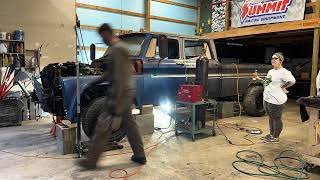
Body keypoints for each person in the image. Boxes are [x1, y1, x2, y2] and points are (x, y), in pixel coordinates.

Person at [78, 23, 146, 169]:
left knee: (103, 124)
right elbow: (113, 72)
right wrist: (95, 82)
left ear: (108, 33)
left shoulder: (117, 49)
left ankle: (91, 161)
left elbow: (119, 75)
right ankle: (140, 155)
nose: (102, 40)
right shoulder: (118, 48)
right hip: (126, 90)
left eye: (103, 36)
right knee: (130, 125)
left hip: (120, 92)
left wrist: (116, 100)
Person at [253, 52, 296, 143]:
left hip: (276, 99)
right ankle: (271, 134)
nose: (273, 60)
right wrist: (258, 78)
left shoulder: (284, 72)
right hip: (267, 98)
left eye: (275, 58)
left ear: (281, 60)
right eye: (272, 58)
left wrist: (283, 87)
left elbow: (292, 81)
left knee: (276, 118)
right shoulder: (271, 71)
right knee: (271, 117)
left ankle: (275, 137)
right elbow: (267, 82)